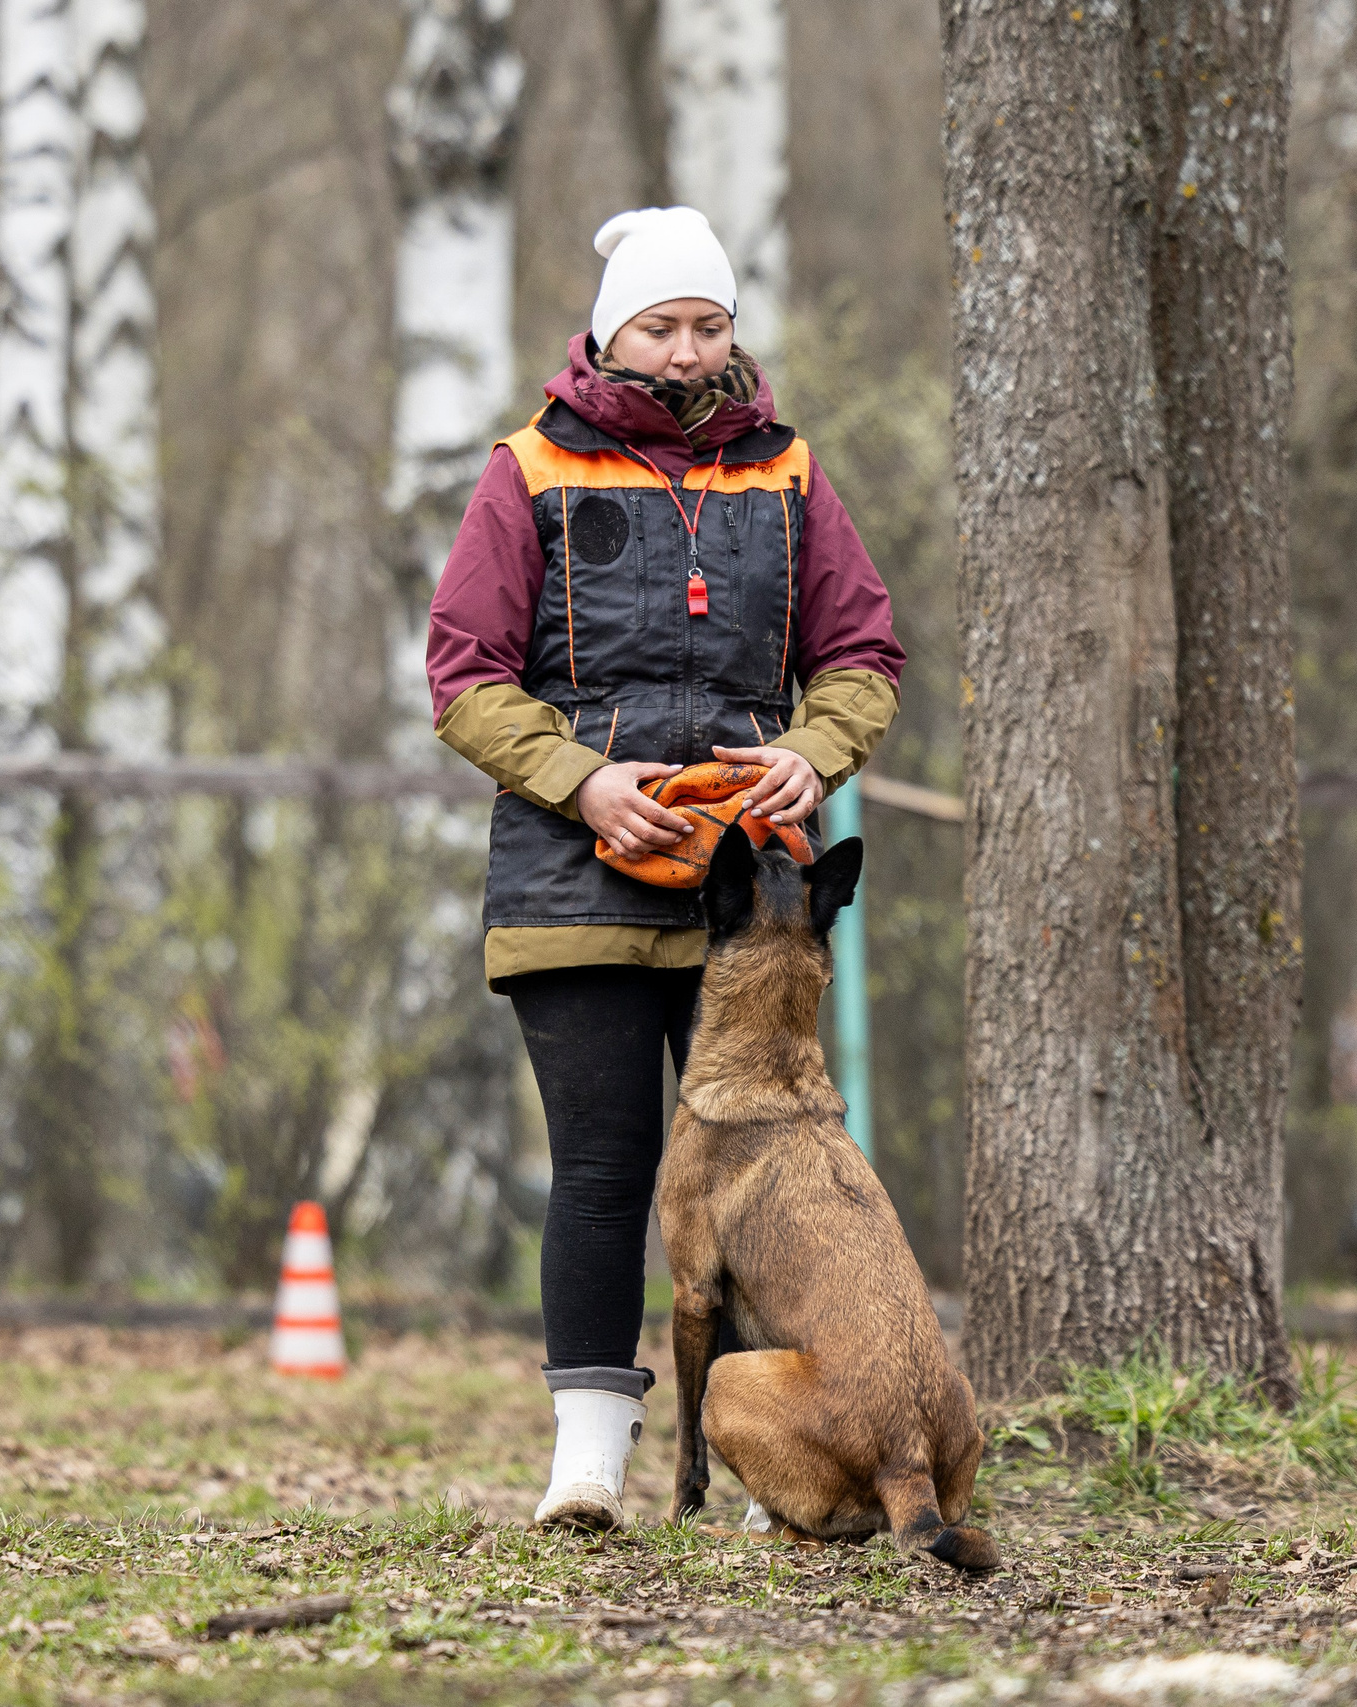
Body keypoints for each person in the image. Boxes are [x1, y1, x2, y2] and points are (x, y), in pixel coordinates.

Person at [426, 207, 905, 1527]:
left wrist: (815, 752)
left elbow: (862, 655)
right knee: (602, 1165)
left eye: (709, 323)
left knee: (762, 1173)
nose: (687, 349)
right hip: (571, 881)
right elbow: (464, 676)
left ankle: (773, 1457)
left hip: (748, 895)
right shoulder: (525, 471)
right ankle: (588, 1460)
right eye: (661, 324)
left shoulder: (791, 471)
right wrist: (586, 783)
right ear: (608, 329)